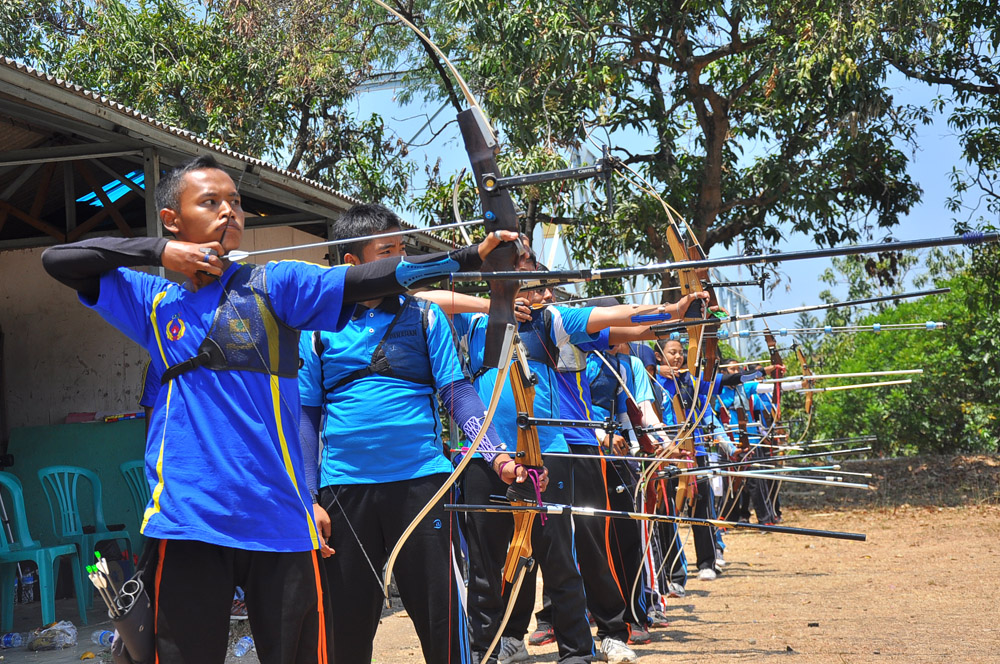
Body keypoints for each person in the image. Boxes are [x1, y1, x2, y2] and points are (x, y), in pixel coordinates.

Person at [41, 154, 516, 664]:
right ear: (172, 220)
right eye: (211, 202)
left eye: (236, 203)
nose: (230, 212)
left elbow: (362, 281)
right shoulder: (152, 300)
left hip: (280, 522)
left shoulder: (274, 284)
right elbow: (60, 260)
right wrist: (161, 252)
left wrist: (462, 261)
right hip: (188, 519)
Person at [298, 203, 534, 664]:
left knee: (442, 618)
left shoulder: (424, 317)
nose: (403, 262)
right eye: (389, 252)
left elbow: (457, 394)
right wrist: (309, 498)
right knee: (344, 623)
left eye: (403, 249)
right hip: (345, 491)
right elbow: (305, 418)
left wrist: (496, 455)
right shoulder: (317, 328)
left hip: (422, 484)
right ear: (354, 264)